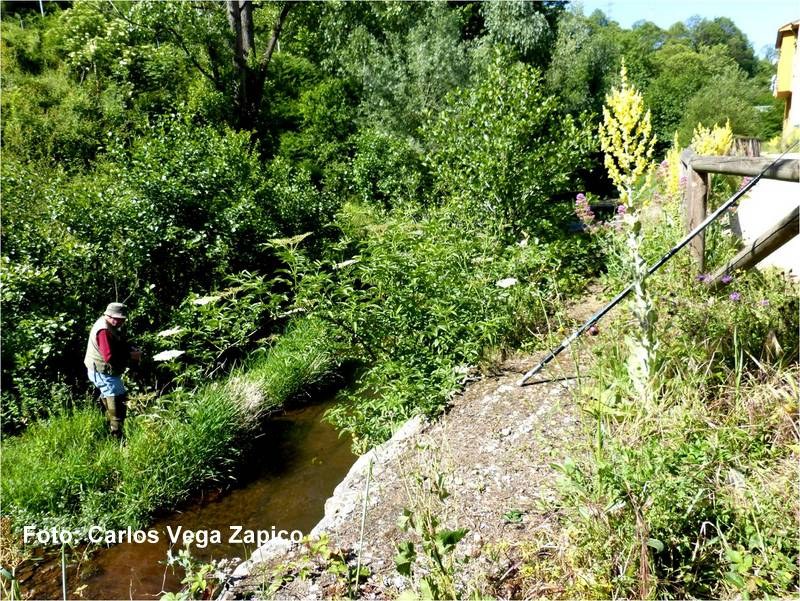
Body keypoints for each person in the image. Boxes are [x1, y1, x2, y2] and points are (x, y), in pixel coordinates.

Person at [84, 302, 142, 438]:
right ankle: (117, 437)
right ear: (108, 315)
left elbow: (116, 344)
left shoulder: (108, 324)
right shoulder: (104, 330)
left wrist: (129, 348)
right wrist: (131, 355)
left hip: (100, 371)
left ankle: (110, 429)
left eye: (122, 319)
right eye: (117, 318)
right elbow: (109, 356)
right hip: (102, 372)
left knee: (112, 398)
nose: (120, 322)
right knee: (117, 400)